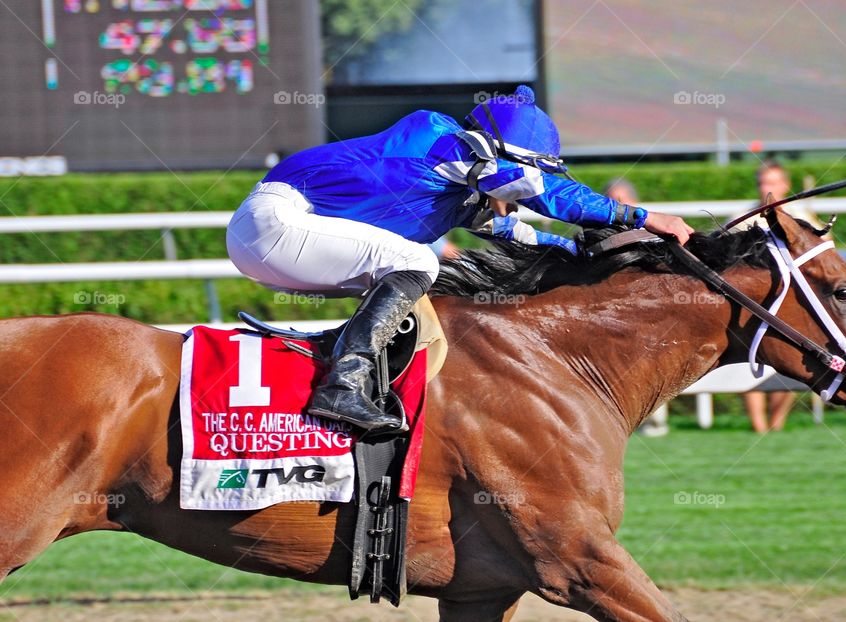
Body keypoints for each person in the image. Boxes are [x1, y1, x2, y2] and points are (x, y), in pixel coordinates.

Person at [226, 85, 694, 434]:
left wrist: (577, 249)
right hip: (274, 224)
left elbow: (508, 228)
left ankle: (348, 375)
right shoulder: (443, 143)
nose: (517, 185)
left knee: (411, 285)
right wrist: (643, 216)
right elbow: (541, 192)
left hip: (279, 234)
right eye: (523, 168)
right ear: (497, 151)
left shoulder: (452, 179)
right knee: (417, 262)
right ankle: (341, 388)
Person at [730, 161, 823, 433]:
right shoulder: (742, 218)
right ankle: (759, 427)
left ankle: (777, 424)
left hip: (792, 307)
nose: (766, 188)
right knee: (750, 363)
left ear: (785, 185)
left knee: (789, 363)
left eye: (772, 182)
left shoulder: (803, 217)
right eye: (762, 182)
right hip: (753, 307)